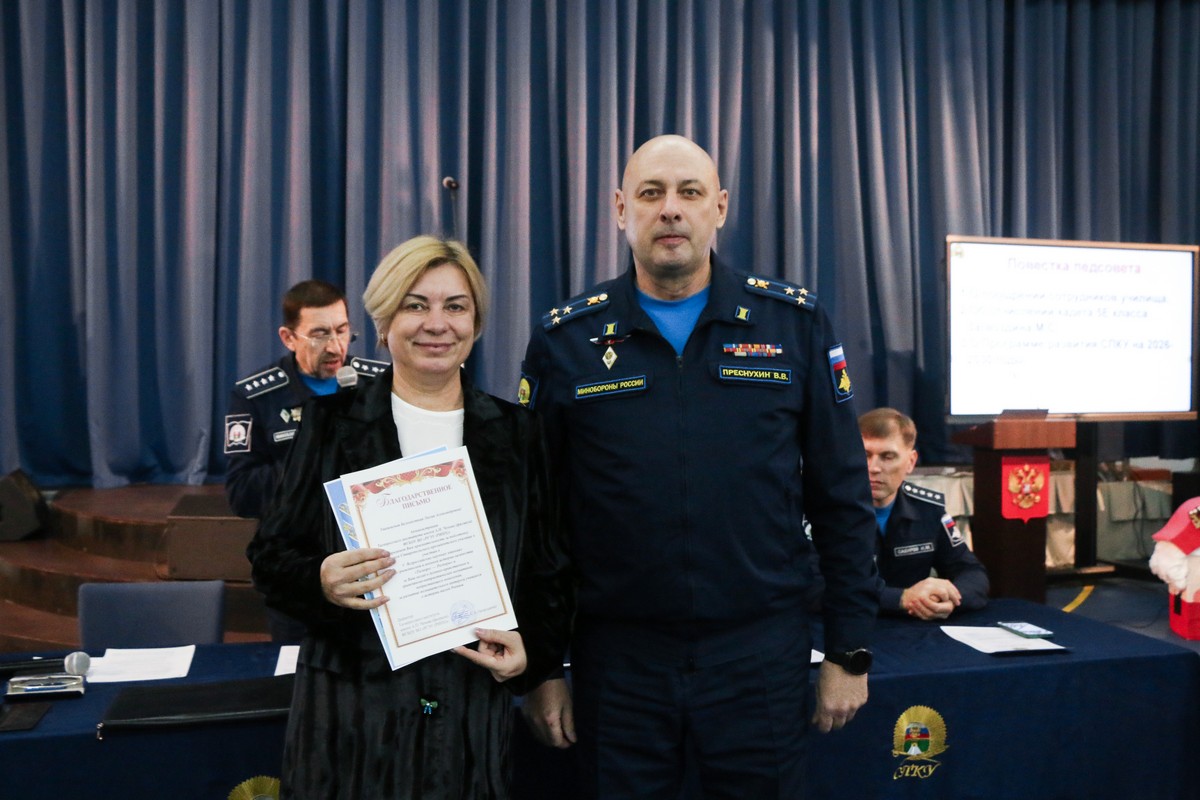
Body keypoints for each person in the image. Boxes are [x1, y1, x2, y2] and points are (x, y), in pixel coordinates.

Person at [517, 134, 878, 799]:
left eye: (689, 192)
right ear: (620, 209)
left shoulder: (792, 323)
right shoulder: (565, 340)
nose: (670, 209)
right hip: (619, 661)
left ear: (720, 207)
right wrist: (542, 667)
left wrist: (849, 649)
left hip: (759, 657)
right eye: (651, 194)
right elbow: (537, 518)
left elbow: (842, 498)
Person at [246, 236, 573, 799]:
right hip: (351, 723)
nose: (436, 324)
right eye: (415, 305)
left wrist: (533, 656)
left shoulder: (519, 434)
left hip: (468, 721)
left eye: (456, 306)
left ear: (476, 323)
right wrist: (320, 579)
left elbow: (549, 572)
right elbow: (270, 559)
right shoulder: (327, 425)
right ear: (383, 322)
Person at [224, 279, 387, 520]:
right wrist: (312, 459)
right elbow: (242, 494)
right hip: (298, 529)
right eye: (319, 335)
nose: (335, 347)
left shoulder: (380, 382)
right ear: (289, 338)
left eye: (342, 331)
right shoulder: (256, 396)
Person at [859, 407, 989, 619]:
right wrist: (900, 598)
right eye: (865, 455)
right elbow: (814, 588)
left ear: (910, 462)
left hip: (913, 627)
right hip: (847, 627)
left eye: (887, 457)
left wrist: (948, 599)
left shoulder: (929, 510)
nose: (873, 468)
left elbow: (971, 573)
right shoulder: (828, 513)